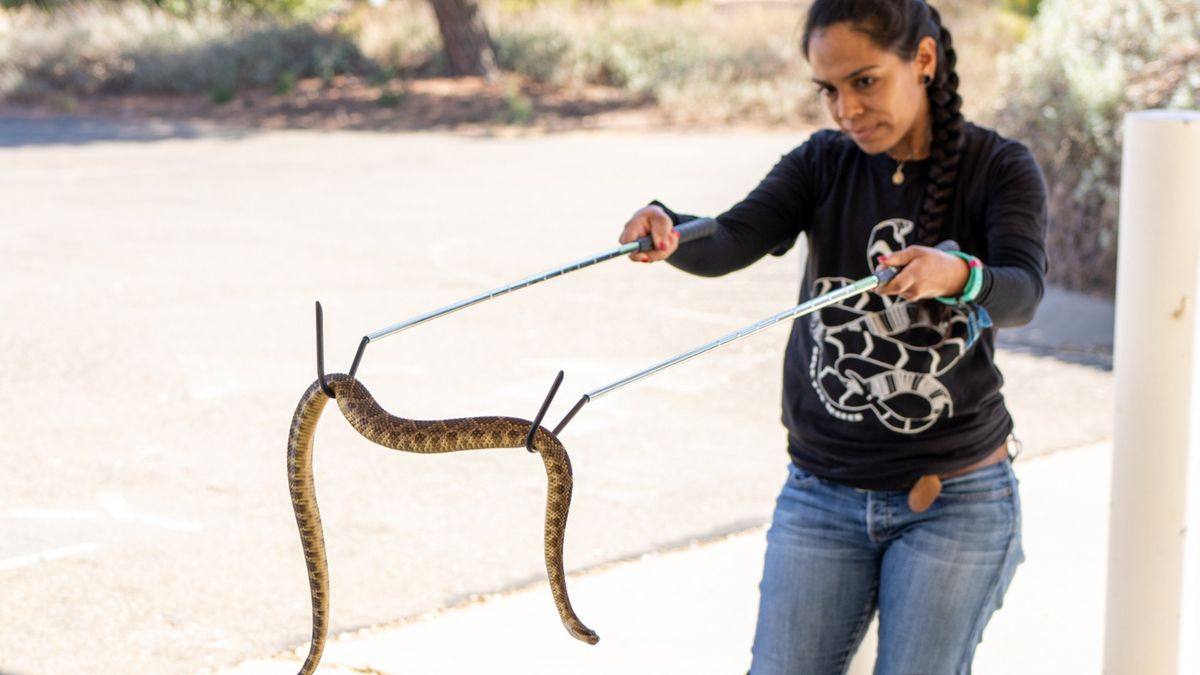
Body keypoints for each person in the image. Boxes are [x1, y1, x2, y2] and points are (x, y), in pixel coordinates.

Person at [617, 0, 1047, 673]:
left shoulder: (999, 167)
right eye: (829, 89)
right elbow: (730, 238)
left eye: (865, 81)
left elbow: (1023, 291)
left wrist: (958, 275)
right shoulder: (823, 163)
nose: (846, 109)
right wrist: (670, 228)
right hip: (820, 492)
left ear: (923, 61)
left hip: (956, 500)